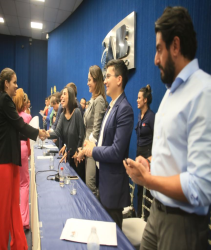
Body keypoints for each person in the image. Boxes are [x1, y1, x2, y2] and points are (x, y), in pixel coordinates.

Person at [124, 7, 211, 250]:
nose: (155, 59)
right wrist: (150, 162)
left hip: (182, 225)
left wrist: (148, 180)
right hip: (157, 215)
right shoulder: (171, 93)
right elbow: (174, 152)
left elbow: (200, 187)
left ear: (175, 46)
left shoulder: (203, 92)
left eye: (158, 49)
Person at [0, 68, 46, 249]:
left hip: (10, 161)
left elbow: (18, 126)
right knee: (1, 211)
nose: (16, 86)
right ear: (6, 83)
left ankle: (19, 244)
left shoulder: (6, 101)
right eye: (14, 82)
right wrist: (38, 133)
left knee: (13, 207)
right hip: (3, 162)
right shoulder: (5, 99)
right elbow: (20, 124)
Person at [84, 59, 134, 229]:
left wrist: (93, 150)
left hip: (113, 190)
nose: (104, 81)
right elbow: (104, 139)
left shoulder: (124, 109)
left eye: (108, 76)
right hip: (104, 184)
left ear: (119, 79)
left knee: (114, 240)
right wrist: (89, 146)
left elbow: (117, 151)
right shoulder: (111, 107)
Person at [76, 65, 107, 197]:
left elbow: (96, 130)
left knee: (90, 187)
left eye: (90, 80)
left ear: (96, 81)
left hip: (92, 150)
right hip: (85, 148)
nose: (87, 83)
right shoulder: (92, 100)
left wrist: (84, 150)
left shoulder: (99, 100)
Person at [47, 86, 85, 181]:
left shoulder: (77, 112)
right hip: (68, 158)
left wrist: (77, 153)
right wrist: (45, 135)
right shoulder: (63, 116)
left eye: (64, 94)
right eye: (61, 95)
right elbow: (57, 133)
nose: (61, 97)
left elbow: (81, 136)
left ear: (70, 97)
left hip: (78, 159)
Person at [12, 88, 32, 230]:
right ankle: (24, 220)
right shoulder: (27, 117)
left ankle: (13, 218)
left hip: (12, 149)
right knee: (24, 184)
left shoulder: (11, 116)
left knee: (14, 183)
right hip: (23, 148)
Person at [135, 84, 155, 220]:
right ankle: (138, 216)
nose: (137, 100)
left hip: (148, 157)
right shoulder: (139, 116)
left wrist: (151, 158)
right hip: (138, 154)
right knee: (138, 189)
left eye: (139, 98)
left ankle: (147, 219)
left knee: (147, 192)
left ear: (145, 100)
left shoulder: (151, 117)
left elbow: (156, 137)